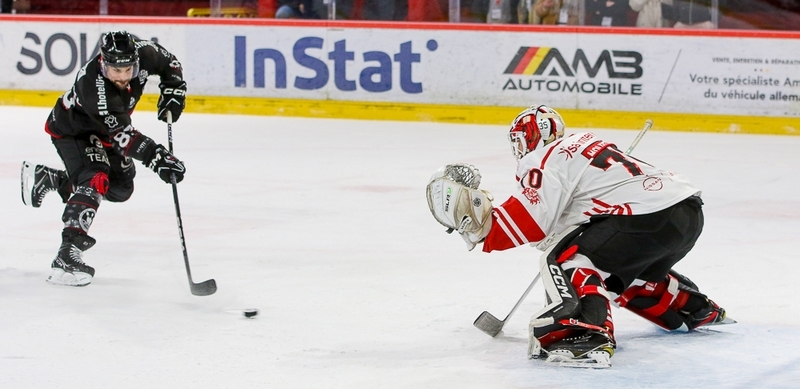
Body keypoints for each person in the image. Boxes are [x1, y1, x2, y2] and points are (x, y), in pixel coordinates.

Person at [426, 105, 730, 366]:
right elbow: (566, 222)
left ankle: (584, 334)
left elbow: (529, 219)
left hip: (646, 217)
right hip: (686, 214)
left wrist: (479, 227)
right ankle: (688, 306)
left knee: (568, 260)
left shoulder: (544, 158)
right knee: (612, 266)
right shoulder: (583, 146)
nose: (518, 149)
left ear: (530, 137)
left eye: (518, 140)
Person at [20, 30, 187, 287]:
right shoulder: (94, 88)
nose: (122, 76)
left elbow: (170, 63)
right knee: (95, 177)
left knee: (120, 189)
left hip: (107, 132)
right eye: (115, 71)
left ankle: (53, 180)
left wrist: (174, 89)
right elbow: (124, 137)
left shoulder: (144, 53)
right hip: (74, 131)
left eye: (128, 70)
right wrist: (157, 156)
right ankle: (68, 252)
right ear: (103, 62)